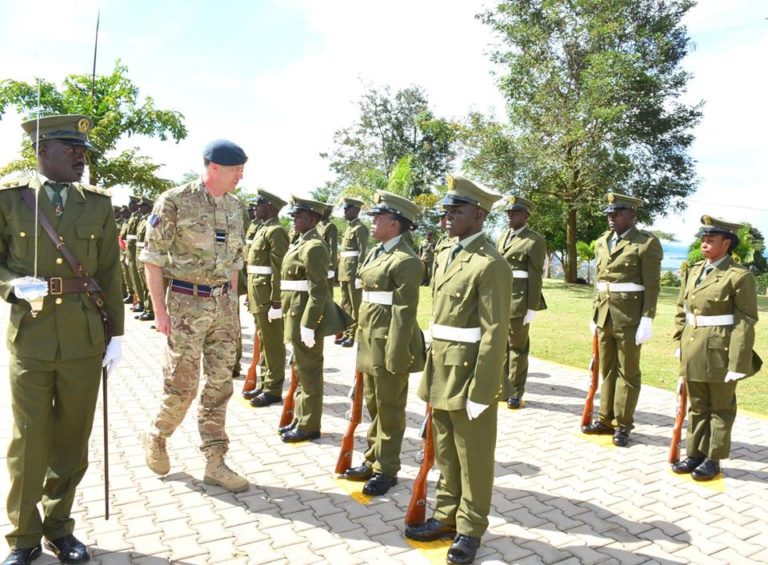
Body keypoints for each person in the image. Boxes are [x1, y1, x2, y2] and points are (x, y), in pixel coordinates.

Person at [0, 115, 124, 565]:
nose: (80, 158)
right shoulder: (10, 199)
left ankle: (59, 527)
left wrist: (116, 335)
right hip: (31, 337)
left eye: (83, 151)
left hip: (83, 339)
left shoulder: (97, 204)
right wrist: (12, 285)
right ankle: (23, 537)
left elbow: (109, 272)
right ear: (41, 151)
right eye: (71, 149)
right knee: (29, 439)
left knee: (72, 439)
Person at [406, 175, 511, 565]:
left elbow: (495, 332)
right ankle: (446, 515)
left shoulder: (490, 263)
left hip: (468, 373)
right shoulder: (446, 252)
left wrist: (483, 390)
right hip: (441, 366)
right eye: (446, 211)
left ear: (479, 215)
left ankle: (471, 528)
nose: (447, 217)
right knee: (446, 451)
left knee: (474, 457)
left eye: (457, 211)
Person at [141, 139, 249, 493]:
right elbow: (152, 258)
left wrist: (232, 305)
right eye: (235, 170)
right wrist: (160, 311)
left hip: (223, 307)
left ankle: (215, 461)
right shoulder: (175, 201)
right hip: (186, 304)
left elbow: (235, 261)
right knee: (183, 386)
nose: (240, 176)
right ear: (213, 167)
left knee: (220, 385)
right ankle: (158, 434)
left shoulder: (235, 206)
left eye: (242, 170)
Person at [342, 191, 424, 496]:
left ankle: (387, 469)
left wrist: (396, 353)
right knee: (373, 405)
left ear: (396, 223)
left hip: (389, 342)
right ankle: (372, 458)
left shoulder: (406, 260)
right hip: (370, 339)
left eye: (380, 217)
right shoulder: (377, 252)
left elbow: (404, 312)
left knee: (390, 408)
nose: (374, 221)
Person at [671, 216, 761, 480]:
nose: (704, 243)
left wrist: (738, 362)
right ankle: (695, 453)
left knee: (720, 407)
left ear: (727, 243)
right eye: (703, 239)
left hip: (720, 349)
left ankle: (713, 458)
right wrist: (679, 341)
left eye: (711, 240)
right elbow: (682, 309)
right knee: (697, 405)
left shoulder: (739, 276)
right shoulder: (694, 270)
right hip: (693, 345)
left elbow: (745, 321)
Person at [582, 192, 663, 447]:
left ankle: (624, 424)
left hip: (629, 317)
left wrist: (647, 319)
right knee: (606, 370)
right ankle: (605, 419)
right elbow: (599, 282)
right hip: (604, 315)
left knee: (627, 372)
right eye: (610, 213)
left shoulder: (646, 243)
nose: (612, 217)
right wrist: (595, 314)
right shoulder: (602, 241)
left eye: (617, 213)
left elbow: (652, 285)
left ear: (633, 215)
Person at [279, 195, 346, 443]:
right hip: (294, 312)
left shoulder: (314, 246)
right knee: (300, 367)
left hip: (304, 315)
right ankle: (301, 417)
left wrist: (309, 324)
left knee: (309, 371)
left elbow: (319, 290)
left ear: (312, 218)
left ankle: (309, 424)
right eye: (294, 215)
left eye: (299, 215)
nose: (294, 219)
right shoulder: (301, 242)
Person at [496, 196, 546, 409]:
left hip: (519, 300)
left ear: (525, 216)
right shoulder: (502, 236)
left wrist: (532, 307)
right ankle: (502, 387)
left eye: (515, 213)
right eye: (509, 213)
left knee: (518, 347)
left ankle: (515, 392)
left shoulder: (534, 240)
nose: (510, 216)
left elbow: (535, 276)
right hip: (501, 298)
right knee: (501, 346)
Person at [244, 189, 290, 408]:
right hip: (257, 292)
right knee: (263, 339)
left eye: (260, 204)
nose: (256, 208)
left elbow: (279, 268)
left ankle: (273, 389)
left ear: (270, 207)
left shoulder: (276, 231)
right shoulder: (263, 229)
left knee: (273, 343)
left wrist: (277, 300)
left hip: (267, 295)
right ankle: (265, 382)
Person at [336, 197, 368, 348]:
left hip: (353, 269)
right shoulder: (349, 228)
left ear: (356, 210)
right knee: (346, 302)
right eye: (344, 209)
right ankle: (348, 331)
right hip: (344, 268)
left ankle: (353, 334)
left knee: (355, 304)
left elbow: (362, 252)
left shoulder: (360, 228)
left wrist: (359, 272)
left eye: (347, 209)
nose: (345, 211)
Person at [134, 197, 155, 321]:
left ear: (149, 207)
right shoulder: (142, 220)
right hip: (138, 252)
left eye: (143, 206)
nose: (139, 207)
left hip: (145, 252)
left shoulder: (151, 219)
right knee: (141, 280)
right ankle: (146, 307)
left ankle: (150, 309)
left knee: (148, 282)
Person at [316, 203, 338, 288]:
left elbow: (333, 248)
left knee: (327, 289)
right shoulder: (318, 226)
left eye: (323, 211)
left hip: (326, 263)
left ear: (328, 213)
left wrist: (331, 266)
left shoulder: (331, 226)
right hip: (318, 261)